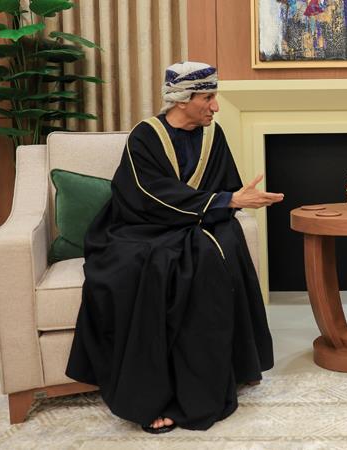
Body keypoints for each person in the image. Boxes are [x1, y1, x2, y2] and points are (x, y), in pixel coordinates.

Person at [66, 62, 284, 433]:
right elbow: (148, 196)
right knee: (154, 267)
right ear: (182, 100)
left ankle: (219, 375)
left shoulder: (212, 136)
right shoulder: (145, 137)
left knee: (216, 250)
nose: (215, 107)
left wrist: (230, 200)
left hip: (196, 222)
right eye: (208, 98)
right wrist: (226, 200)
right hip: (139, 227)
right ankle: (153, 393)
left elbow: (224, 187)